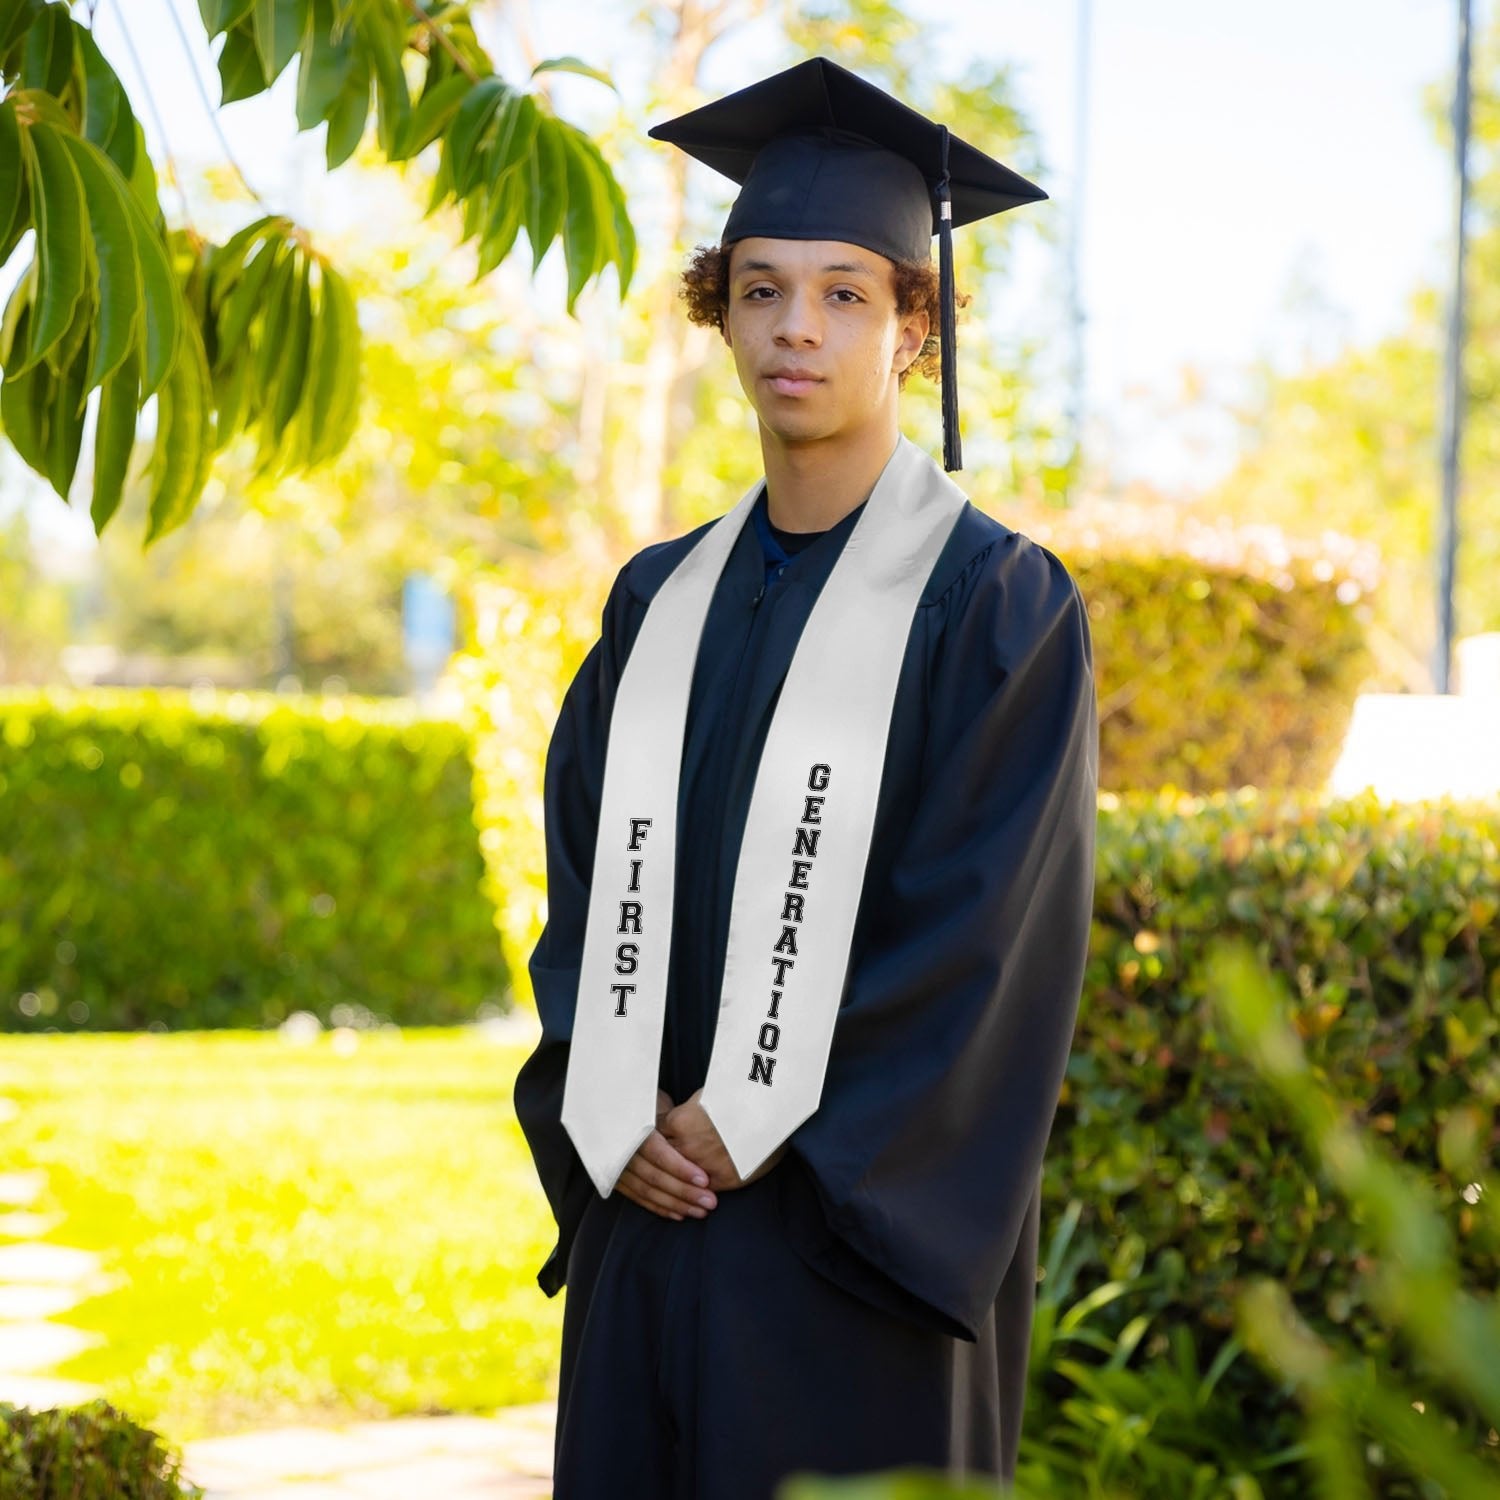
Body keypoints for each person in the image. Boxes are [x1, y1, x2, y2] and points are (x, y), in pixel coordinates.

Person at [514, 55, 1099, 1500]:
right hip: (651, 1211)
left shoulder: (997, 607)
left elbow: (984, 942)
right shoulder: (658, 602)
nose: (797, 328)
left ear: (916, 329)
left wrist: (771, 1116)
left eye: (847, 292)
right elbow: (585, 887)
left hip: (851, 1252)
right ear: (720, 316)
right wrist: (621, 1099)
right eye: (762, 287)